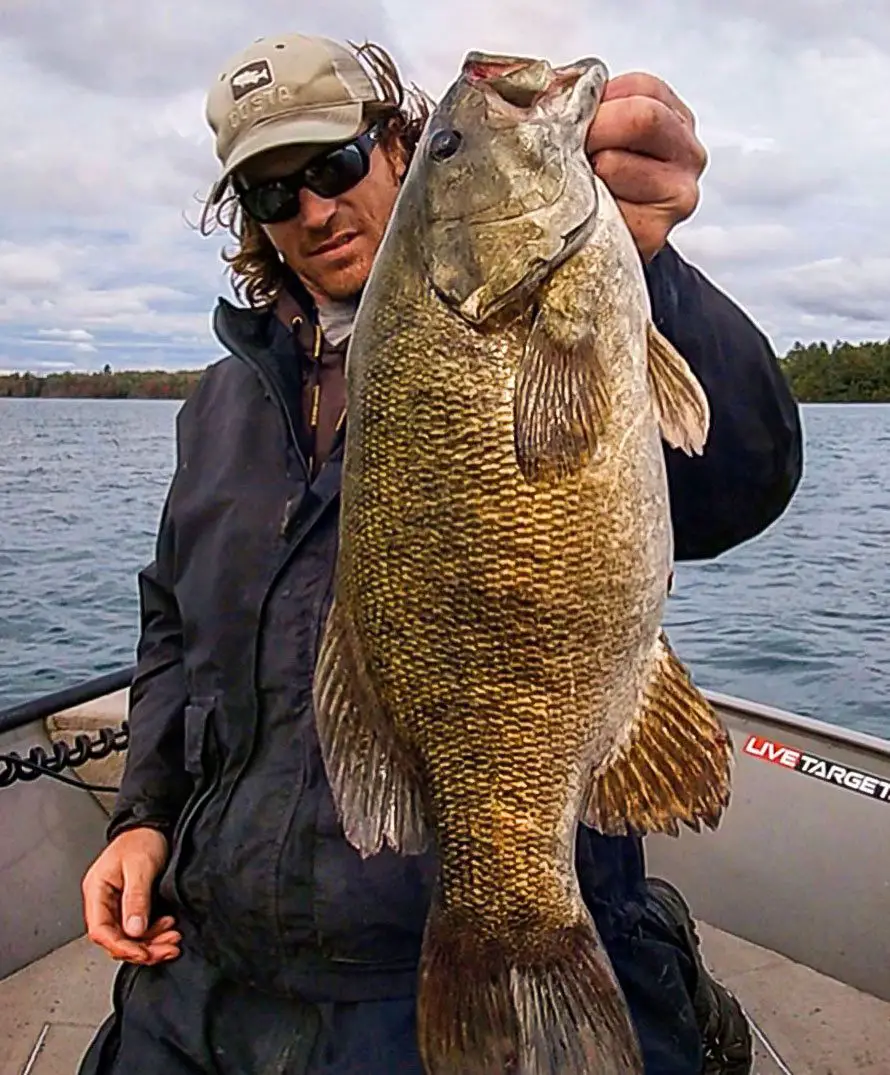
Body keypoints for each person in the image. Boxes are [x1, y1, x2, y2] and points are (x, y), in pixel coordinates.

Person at [77, 31, 802, 1075]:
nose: (313, 210)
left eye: (330, 166)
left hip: (426, 948)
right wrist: (143, 816)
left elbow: (742, 477)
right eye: (273, 194)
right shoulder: (222, 400)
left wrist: (653, 270)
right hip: (207, 963)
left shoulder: (582, 296)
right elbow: (172, 625)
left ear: (400, 146)